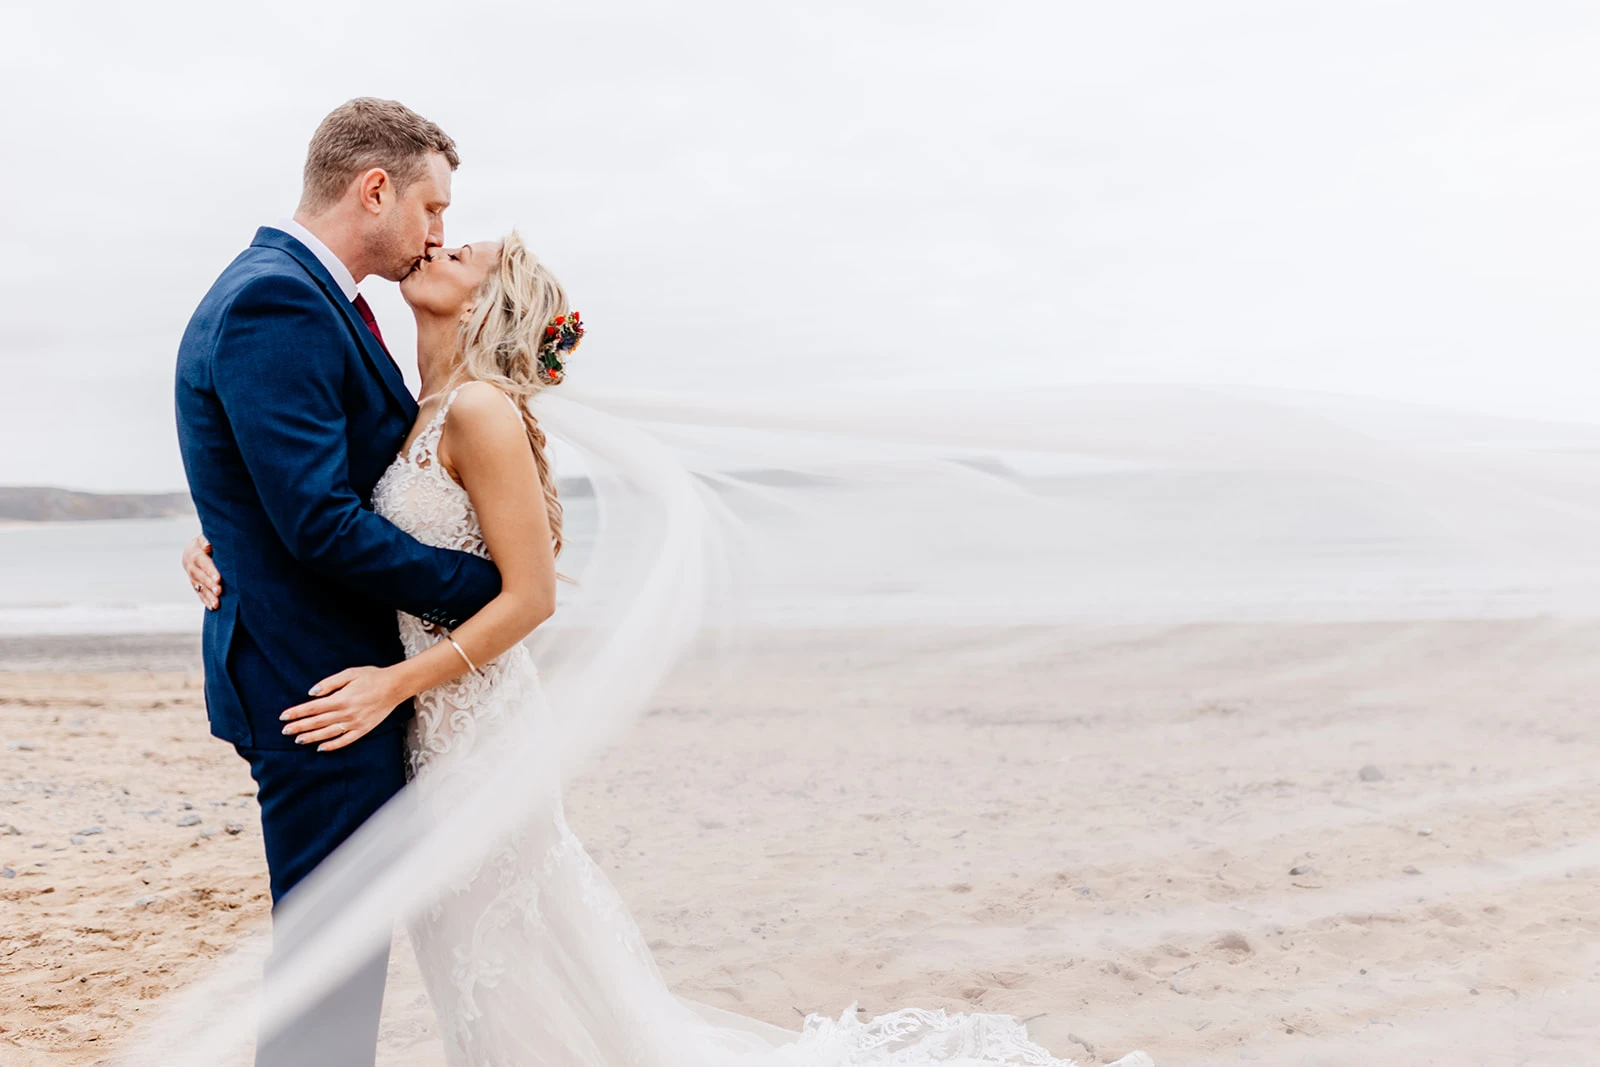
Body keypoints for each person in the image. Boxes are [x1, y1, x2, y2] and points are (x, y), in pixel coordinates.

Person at [183, 225, 1153, 1065]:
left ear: (490, 297)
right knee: (463, 942)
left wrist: (399, 682)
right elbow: (316, 499)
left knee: (503, 932)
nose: (439, 240)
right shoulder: (410, 410)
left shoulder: (479, 408)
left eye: (463, 245)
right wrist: (223, 541)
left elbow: (531, 599)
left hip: (467, 713)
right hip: (427, 717)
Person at [172, 97, 500, 1067]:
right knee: (329, 971)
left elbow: (296, 480)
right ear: (374, 188)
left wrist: (222, 529)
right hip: (320, 688)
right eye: (432, 209)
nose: (438, 232)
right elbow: (317, 517)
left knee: (335, 955)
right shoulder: (277, 298)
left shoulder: (299, 295)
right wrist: (482, 584)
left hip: (317, 667)